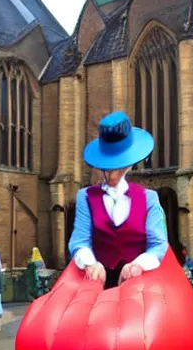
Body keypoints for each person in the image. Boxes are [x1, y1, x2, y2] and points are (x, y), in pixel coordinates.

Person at [68, 111, 168, 289]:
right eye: (108, 165)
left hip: (139, 284)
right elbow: (80, 240)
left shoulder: (149, 198)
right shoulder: (86, 196)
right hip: (96, 283)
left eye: (118, 164)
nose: (112, 173)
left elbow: (158, 244)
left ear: (129, 163)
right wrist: (91, 263)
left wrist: (138, 265)